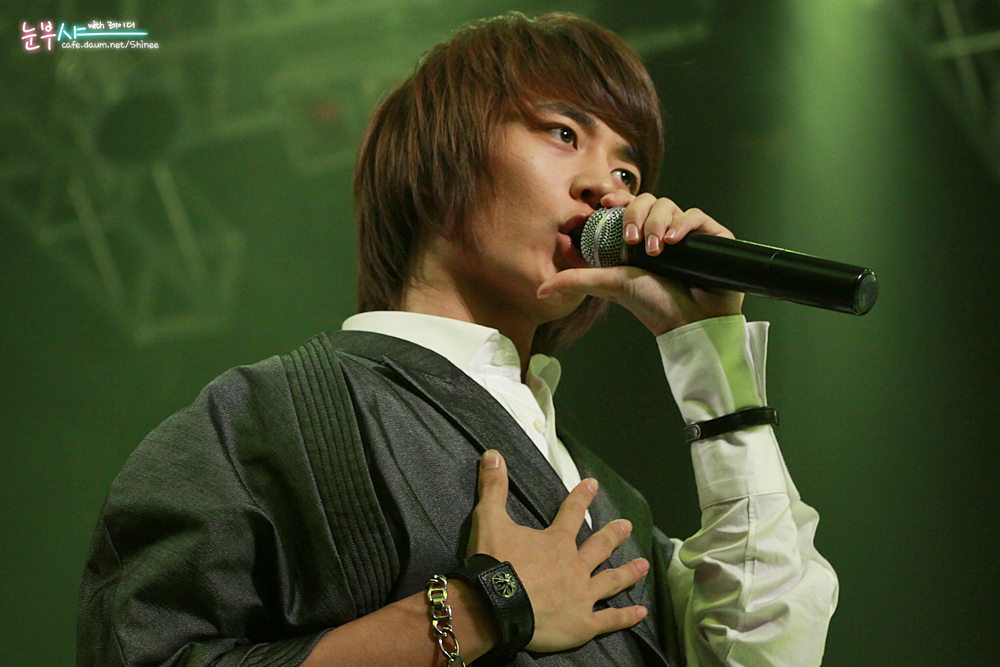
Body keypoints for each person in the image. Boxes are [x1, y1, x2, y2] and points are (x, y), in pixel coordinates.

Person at [77, 11, 838, 667]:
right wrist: (482, 609)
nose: (607, 189)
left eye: (628, 173)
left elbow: (769, 648)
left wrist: (710, 353)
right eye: (564, 133)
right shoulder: (264, 416)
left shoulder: (616, 507)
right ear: (436, 159)